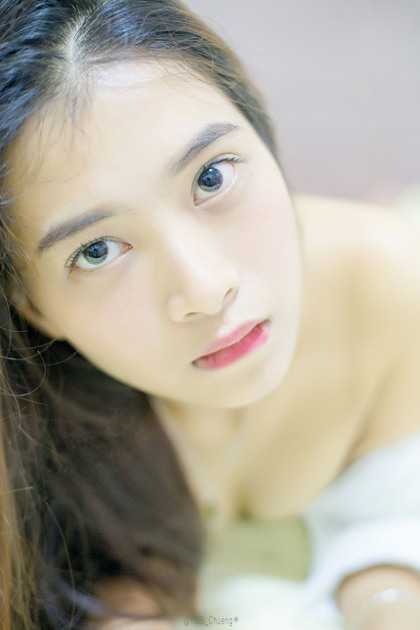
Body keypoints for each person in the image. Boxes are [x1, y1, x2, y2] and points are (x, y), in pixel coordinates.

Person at [0, 0, 420, 628]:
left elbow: (389, 509)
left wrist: (386, 599)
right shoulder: (30, 417)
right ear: (34, 307)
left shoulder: (387, 285)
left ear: (263, 133)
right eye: (97, 250)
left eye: (212, 178)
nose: (205, 288)